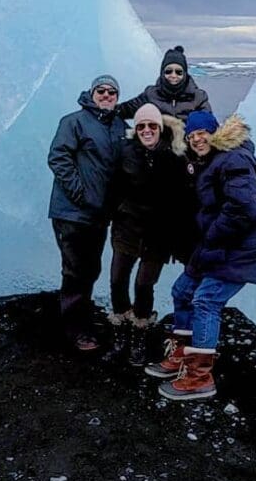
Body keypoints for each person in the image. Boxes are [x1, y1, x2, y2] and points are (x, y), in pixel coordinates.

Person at [145, 110, 256, 400]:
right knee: (182, 291)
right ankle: (182, 355)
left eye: (202, 133)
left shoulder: (234, 158)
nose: (197, 139)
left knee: (206, 299)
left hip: (240, 248)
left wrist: (213, 235)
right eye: (191, 136)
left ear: (215, 132)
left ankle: (199, 377)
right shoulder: (212, 161)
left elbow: (243, 208)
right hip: (218, 245)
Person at [107, 103, 195, 366]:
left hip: (158, 235)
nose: (147, 130)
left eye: (152, 125)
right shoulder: (125, 152)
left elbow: (184, 199)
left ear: (160, 128)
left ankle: (139, 335)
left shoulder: (174, 157)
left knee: (143, 285)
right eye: (141, 126)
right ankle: (120, 331)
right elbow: (112, 187)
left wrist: (180, 238)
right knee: (117, 280)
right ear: (136, 129)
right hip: (127, 230)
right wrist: (117, 212)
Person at [47, 74, 125, 352]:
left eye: (111, 92)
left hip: (99, 215)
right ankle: (77, 330)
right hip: (72, 213)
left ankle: (82, 318)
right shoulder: (74, 122)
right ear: (91, 94)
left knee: (91, 268)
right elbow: (58, 157)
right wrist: (81, 193)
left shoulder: (118, 126)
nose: (106, 95)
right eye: (100, 90)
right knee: (76, 270)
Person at [116, 45, 211, 123]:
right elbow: (126, 110)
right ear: (162, 73)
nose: (173, 75)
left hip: (187, 140)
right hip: (159, 140)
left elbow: (208, 123)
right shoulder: (151, 95)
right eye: (168, 71)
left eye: (179, 72)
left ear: (185, 74)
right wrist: (111, 110)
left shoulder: (198, 97)